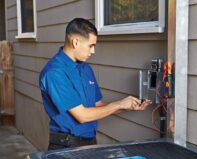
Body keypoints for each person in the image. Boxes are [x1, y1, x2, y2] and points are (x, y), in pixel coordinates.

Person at [39, 18, 151, 150]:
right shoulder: (55, 73)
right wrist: (119, 104)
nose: (93, 51)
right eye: (91, 46)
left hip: (90, 141)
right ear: (75, 42)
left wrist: (128, 106)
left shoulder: (85, 68)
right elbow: (82, 116)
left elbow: (98, 105)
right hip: (66, 146)